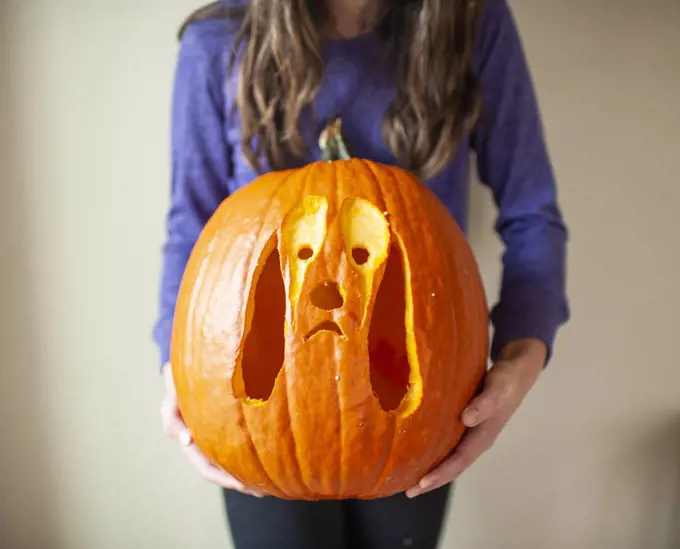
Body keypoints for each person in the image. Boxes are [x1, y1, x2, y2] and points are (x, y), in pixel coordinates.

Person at [155, 0, 570, 547]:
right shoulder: (219, 40)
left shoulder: (473, 19)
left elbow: (531, 213)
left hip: (415, 398)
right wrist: (176, 368)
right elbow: (192, 227)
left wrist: (519, 363)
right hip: (256, 404)